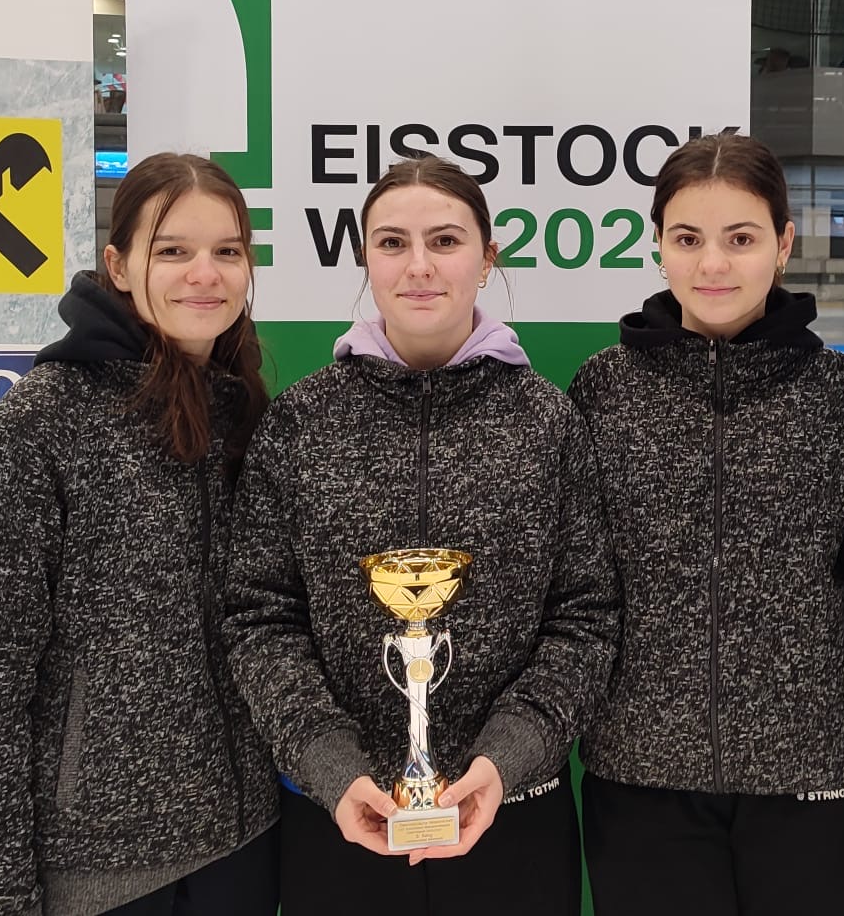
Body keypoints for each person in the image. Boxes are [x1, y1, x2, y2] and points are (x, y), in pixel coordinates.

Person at [223, 156, 618, 916]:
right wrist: (333, 769)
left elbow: (586, 617)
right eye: (392, 243)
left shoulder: (547, 422)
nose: (419, 266)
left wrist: (505, 759)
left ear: (487, 255)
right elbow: (259, 619)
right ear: (364, 256)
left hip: (515, 819)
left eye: (445, 240)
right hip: (339, 823)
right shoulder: (303, 423)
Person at [0, 153, 281, 916]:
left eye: (227, 251)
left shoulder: (245, 413)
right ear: (119, 265)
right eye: (173, 251)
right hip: (101, 873)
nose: (205, 273)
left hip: (247, 843)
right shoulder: (38, 428)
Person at [570, 134, 844, 916]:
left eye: (740, 239)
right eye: (688, 239)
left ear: (783, 244)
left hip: (819, 778)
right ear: (658, 247)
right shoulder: (602, 393)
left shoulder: (843, 398)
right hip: (642, 779)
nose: (712, 264)